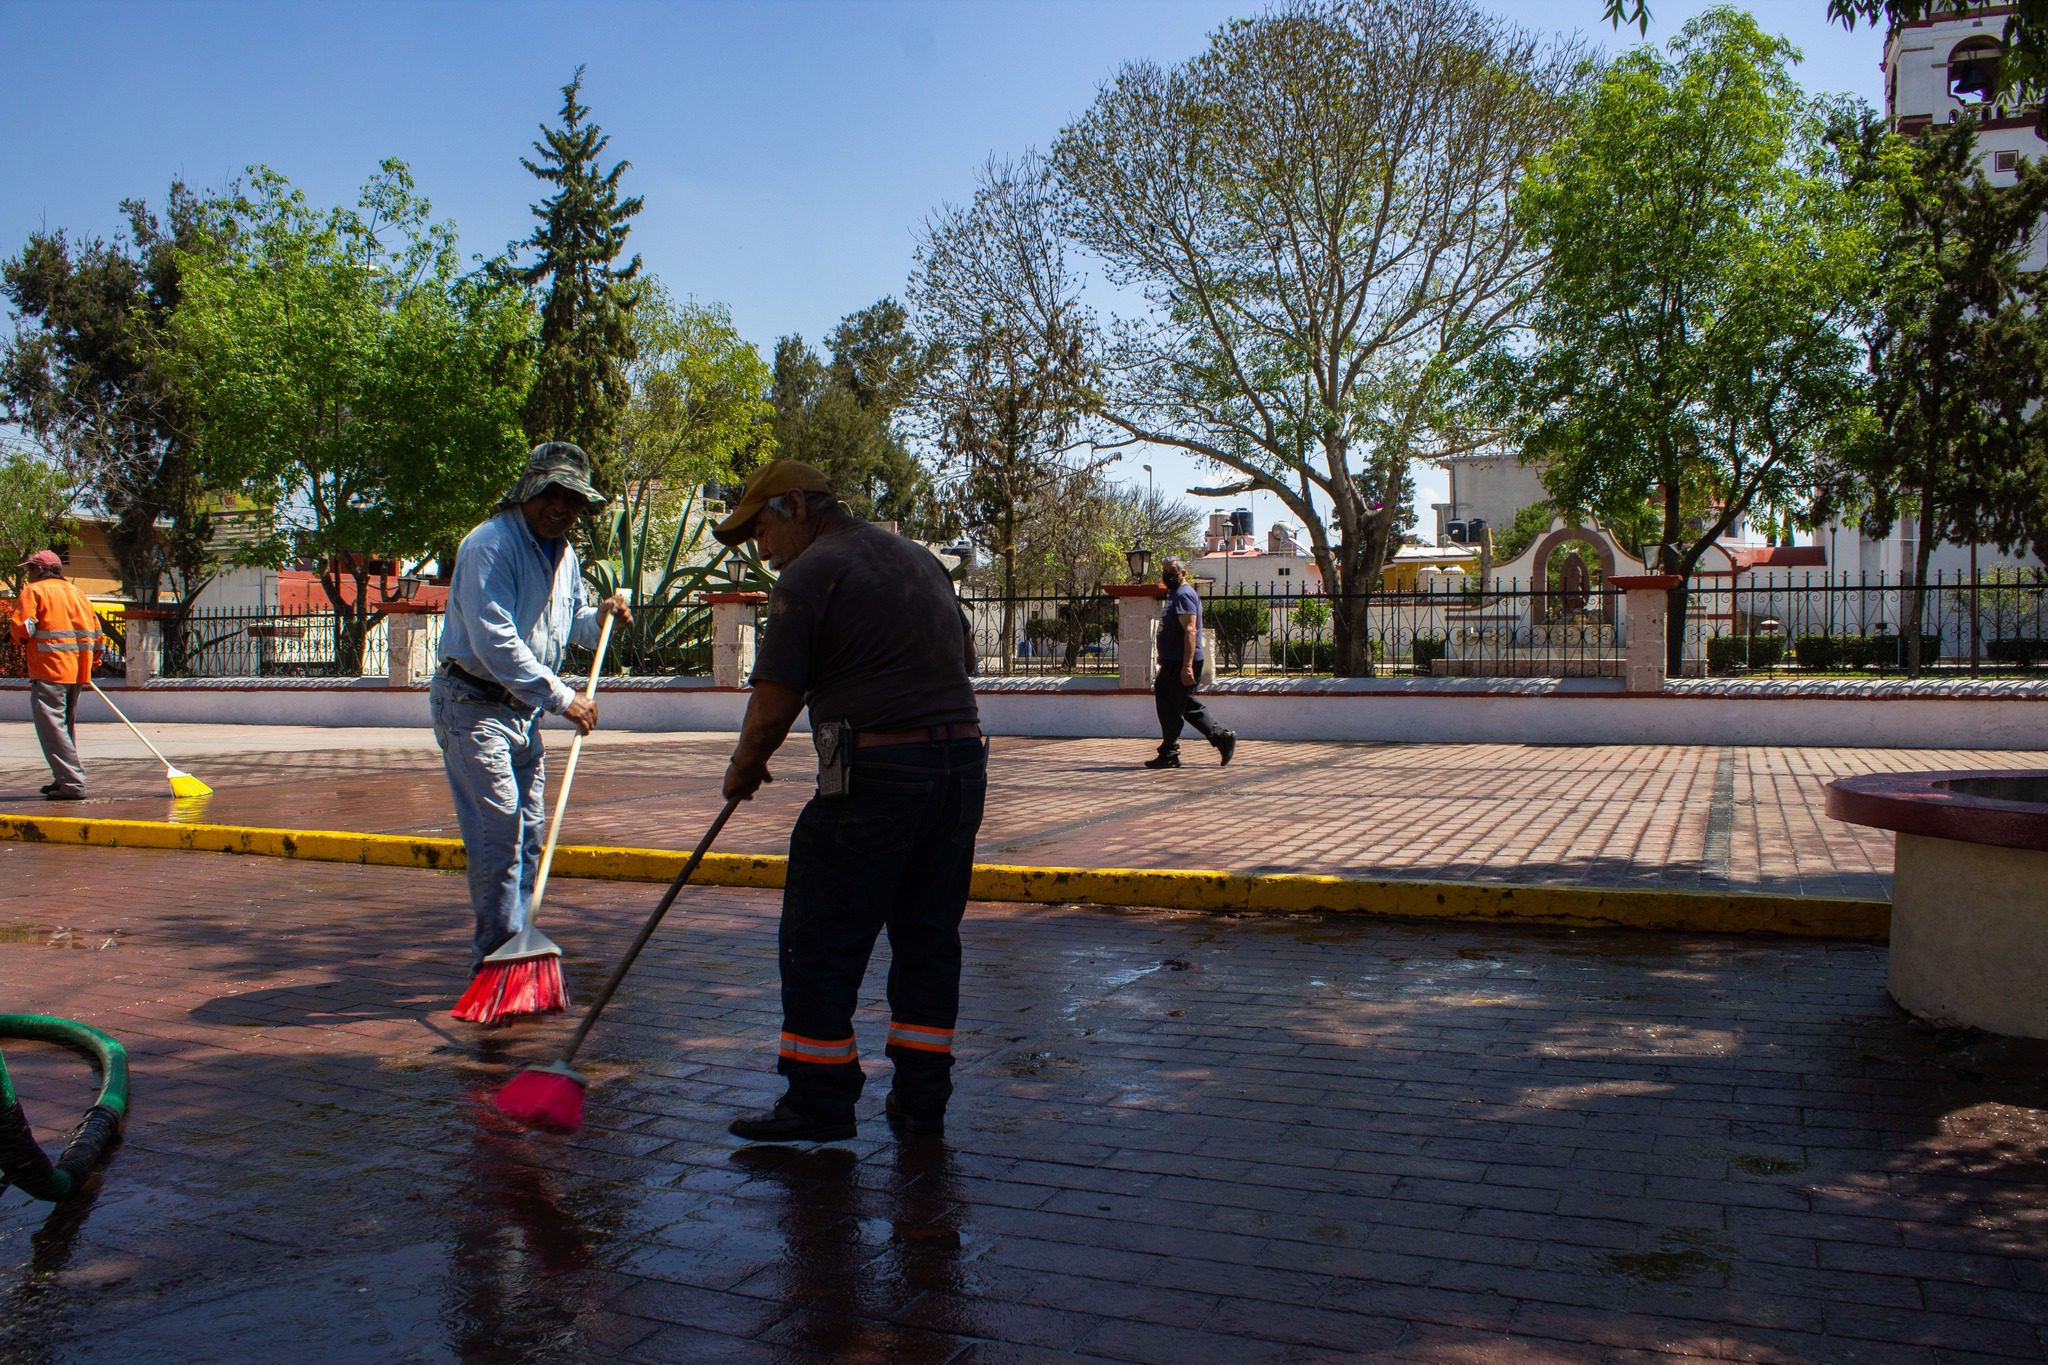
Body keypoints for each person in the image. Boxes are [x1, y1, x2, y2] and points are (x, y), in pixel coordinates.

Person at [715, 459, 985, 1144]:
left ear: (797, 505)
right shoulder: (919, 561)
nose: (762, 551)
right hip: (959, 767)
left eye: (763, 530)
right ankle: (922, 1099)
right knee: (928, 937)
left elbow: (772, 703)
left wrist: (744, 768)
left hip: (878, 770)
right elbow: (966, 655)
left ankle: (820, 1098)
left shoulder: (811, 575)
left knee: (820, 936)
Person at [430, 442, 631, 979]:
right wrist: (565, 699)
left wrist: (602, 616)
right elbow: (495, 640)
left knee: (529, 832)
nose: (561, 509)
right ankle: (494, 961)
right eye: (553, 495)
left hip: (523, 711)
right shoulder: (489, 545)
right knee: (499, 832)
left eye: (573, 501)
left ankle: (515, 944)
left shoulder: (563, 556)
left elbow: (566, 628)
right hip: (472, 704)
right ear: (530, 490)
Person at [9, 550, 103, 801]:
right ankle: (63, 777)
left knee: (52, 728)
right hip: (77, 671)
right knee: (64, 727)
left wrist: (17, 636)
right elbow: (97, 633)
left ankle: (72, 783)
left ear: (41, 570)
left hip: (49, 668)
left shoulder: (34, 592)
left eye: (30, 569)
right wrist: (92, 661)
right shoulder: (78, 594)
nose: (29, 575)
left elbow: (23, 628)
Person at [1146, 555, 1236, 769]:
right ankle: (1219, 738)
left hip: (1182, 662)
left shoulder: (1184, 595)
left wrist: (1187, 666)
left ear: (1183, 574)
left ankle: (1171, 751)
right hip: (1173, 660)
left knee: (1173, 704)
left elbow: (1190, 630)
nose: (1167, 575)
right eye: (1165, 571)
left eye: (1172, 571)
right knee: (1181, 703)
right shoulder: (1174, 594)